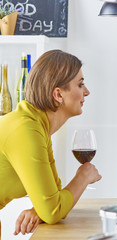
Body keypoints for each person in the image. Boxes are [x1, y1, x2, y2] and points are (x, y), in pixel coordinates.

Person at [0, 50, 102, 238]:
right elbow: (54, 209)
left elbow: (52, 196)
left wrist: (38, 210)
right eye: (80, 85)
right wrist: (83, 176)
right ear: (58, 94)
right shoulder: (26, 130)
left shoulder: (36, 126)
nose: (86, 91)